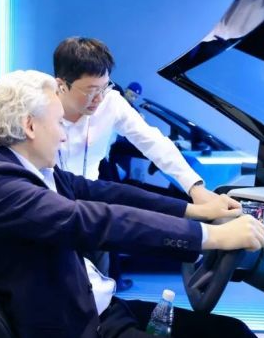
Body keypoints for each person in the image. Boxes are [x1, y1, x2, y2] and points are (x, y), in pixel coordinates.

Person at [0, 70, 264, 338]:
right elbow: (100, 221)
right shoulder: (0, 188)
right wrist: (212, 236)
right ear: (30, 126)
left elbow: (108, 194)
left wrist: (194, 210)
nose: (64, 135)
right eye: (58, 123)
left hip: (102, 310)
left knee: (238, 336)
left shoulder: (31, 172)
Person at [53, 37, 219, 287]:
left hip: (92, 210)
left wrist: (195, 189)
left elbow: (153, 142)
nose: (99, 98)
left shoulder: (111, 103)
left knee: (101, 287)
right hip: (52, 212)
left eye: (104, 87)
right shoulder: (41, 105)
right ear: (61, 85)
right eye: (90, 90)